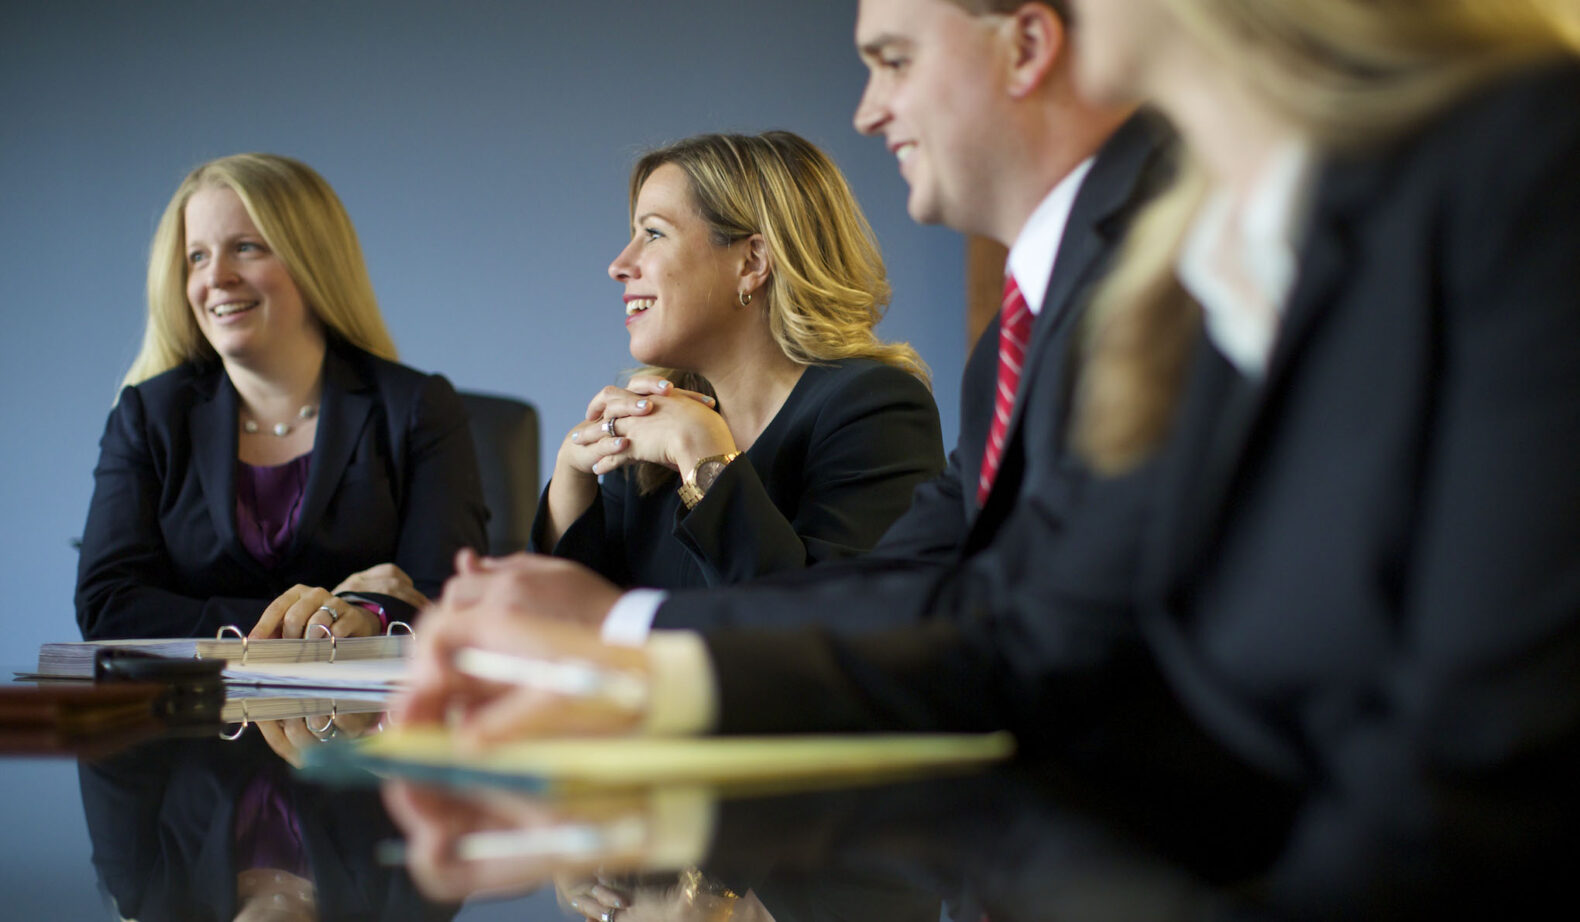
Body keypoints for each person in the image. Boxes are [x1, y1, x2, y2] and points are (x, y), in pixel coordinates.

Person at [402, 0, 1580, 916]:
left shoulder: (1508, 166)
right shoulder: (1192, 265)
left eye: (892, 59)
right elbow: (1026, 621)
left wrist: (628, 645)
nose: (863, 111)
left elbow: (1472, 774)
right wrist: (616, 651)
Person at [76, 153, 487, 641]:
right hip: (197, 714)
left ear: (314, 261)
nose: (216, 278)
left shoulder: (417, 406)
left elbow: (448, 598)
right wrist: (332, 616)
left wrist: (354, 616)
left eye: (246, 248)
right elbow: (109, 607)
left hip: (369, 716)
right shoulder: (147, 415)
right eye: (197, 257)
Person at [530, 130, 944, 593]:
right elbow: (578, 627)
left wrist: (705, 457)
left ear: (751, 262)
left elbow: (835, 628)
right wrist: (572, 474)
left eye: (652, 233)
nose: (619, 265)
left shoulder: (876, 408)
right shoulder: (652, 419)